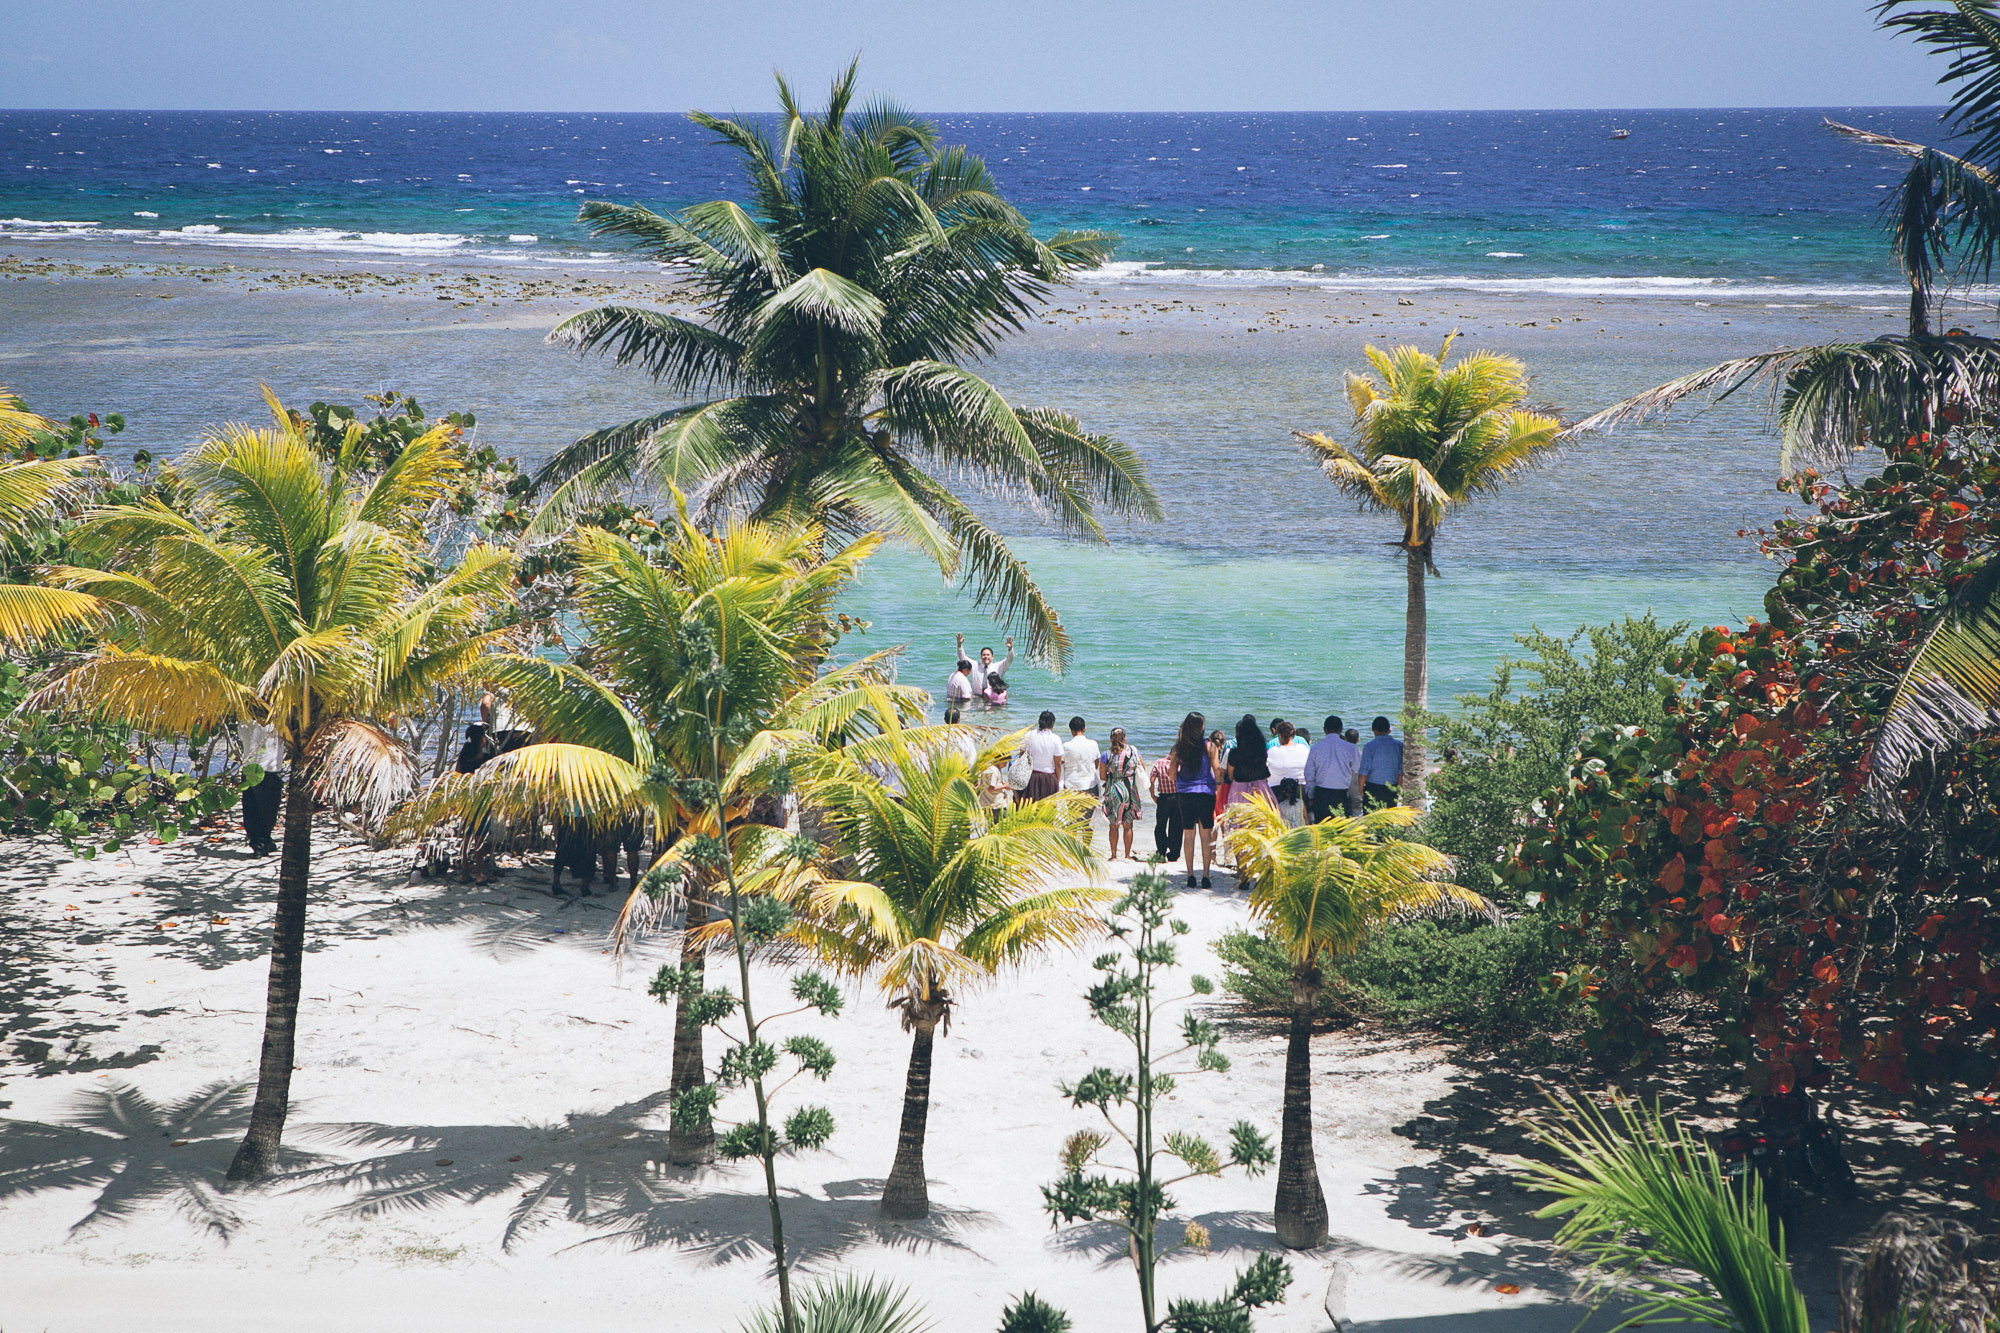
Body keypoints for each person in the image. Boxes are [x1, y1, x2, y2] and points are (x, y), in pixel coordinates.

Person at [1166, 712, 1224, 890]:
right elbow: (1217, 771)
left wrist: (1182, 780)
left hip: (1185, 794)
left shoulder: (1179, 748)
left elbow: (1172, 774)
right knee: (1205, 836)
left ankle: (1190, 875)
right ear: (1201, 727)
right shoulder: (1210, 746)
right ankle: (1205, 875)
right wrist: (1218, 789)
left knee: (1188, 835)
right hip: (1205, 793)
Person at [454, 722, 494, 884]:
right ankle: (479, 873)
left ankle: (465, 872)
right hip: (482, 800)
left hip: (467, 799)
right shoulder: (486, 758)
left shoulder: (464, 755)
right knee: (479, 837)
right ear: (482, 740)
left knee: (467, 836)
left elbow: (457, 774)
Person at [239, 718, 285, 856]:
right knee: (268, 810)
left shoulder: (246, 720)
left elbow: (242, 736)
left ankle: (261, 842)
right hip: (269, 769)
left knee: (251, 808)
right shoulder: (278, 721)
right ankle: (261, 845)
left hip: (248, 768)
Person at [1304, 714, 1363, 822]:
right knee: (1341, 830)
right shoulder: (1351, 748)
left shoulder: (1315, 748)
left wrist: (1311, 796)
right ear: (1341, 730)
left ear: (1324, 730)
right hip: (1342, 794)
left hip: (1321, 794)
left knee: (1323, 829)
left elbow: (1309, 775)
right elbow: (1356, 770)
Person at [1099, 727, 1142, 860]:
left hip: (1114, 789)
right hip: (1129, 788)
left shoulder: (1106, 754)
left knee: (1113, 825)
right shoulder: (1133, 751)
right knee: (1128, 825)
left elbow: (1102, 776)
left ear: (1111, 739)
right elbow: (1142, 768)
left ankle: (1113, 855)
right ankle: (1128, 855)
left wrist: (1113, 778)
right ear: (1124, 738)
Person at [1224, 714, 1274, 817]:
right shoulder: (1261, 752)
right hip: (1260, 787)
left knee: (1238, 820)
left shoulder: (1235, 753)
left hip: (1239, 789)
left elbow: (1230, 775)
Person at [1267, 718, 1311, 826]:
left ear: (1279, 736)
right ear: (1293, 735)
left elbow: (1265, 772)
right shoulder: (1303, 749)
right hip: (1300, 789)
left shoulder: (1272, 751)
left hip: (1278, 790)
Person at [1017, 710, 1064, 805]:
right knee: (1047, 809)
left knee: (1030, 807)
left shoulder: (1029, 735)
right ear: (1052, 723)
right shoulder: (1056, 739)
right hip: (1049, 777)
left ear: (1039, 721)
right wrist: (1057, 780)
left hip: (1031, 776)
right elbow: (1058, 763)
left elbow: (1021, 756)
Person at [1060, 716, 1102, 816]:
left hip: (1071, 785)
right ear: (1084, 729)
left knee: (1073, 822)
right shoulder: (1093, 744)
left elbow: (1060, 763)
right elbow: (1097, 764)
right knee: (1088, 821)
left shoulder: (1066, 746)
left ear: (1071, 730)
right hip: (1090, 785)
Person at [1361, 715, 1405, 808]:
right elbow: (1400, 772)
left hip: (1372, 787)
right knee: (1388, 820)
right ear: (1389, 729)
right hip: (1391, 788)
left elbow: (1363, 772)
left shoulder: (1369, 746)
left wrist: (1360, 791)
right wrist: (1398, 791)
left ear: (1374, 730)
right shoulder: (1399, 745)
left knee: (1371, 819)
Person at [956, 632, 1013, 698]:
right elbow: (962, 657)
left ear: (992, 657)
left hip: (993, 697)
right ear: (981, 657)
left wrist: (1010, 649)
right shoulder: (975, 666)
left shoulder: (998, 666)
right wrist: (959, 645)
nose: (986, 656)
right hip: (977, 698)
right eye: (984, 655)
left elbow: (1009, 660)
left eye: (988, 655)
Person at [1149, 747, 1180, 861]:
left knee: (1160, 825)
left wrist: (1152, 795)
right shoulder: (1180, 764)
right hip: (1177, 797)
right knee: (1176, 826)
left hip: (1163, 798)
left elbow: (1151, 780)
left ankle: (1161, 851)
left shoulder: (1159, 762)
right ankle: (1174, 853)